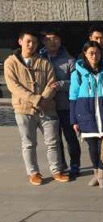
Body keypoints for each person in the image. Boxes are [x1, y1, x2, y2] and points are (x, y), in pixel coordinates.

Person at [4, 30, 68, 185]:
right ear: (20, 42)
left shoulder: (44, 62)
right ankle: (33, 172)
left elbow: (51, 84)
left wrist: (43, 99)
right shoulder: (11, 62)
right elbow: (13, 86)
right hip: (24, 109)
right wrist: (35, 99)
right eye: (28, 41)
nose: (31, 45)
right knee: (28, 143)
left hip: (47, 108)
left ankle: (56, 170)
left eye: (34, 42)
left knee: (53, 141)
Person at [69, 40, 103, 188]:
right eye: (91, 53)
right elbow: (73, 97)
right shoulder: (78, 73)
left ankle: (101, 174)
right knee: (92, 149)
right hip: (86, 115)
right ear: (85, 54)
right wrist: (74, 120)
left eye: (97, 53)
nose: (94, 56)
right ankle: (96, 173)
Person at [39, 28, 80, 178]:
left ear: (60, 40)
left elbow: (77, 83)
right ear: (43, 41)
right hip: (48, 107)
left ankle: (75, 164)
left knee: (70, 138)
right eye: (48, 39)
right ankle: (60, 165)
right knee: (54, 139)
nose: (52, 42)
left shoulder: (69, 60)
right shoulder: (39, 59)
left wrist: (60, 84)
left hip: (65, 106)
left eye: (55, 38)